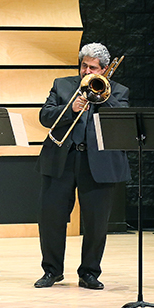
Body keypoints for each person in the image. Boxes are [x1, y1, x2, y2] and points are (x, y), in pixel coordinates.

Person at [34, 42, 130, 290]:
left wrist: (101, 97)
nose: (87, 72)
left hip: (97, 163)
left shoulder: (118, 91)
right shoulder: (62, 85)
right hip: (62, 161)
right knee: (51, 219)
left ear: (105, 69)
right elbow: (45, 116)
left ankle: (89, 273)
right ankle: (52, 271)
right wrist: (71, 110)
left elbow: (121, 122)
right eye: (84, 66)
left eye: (93, 68)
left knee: (96, 223)